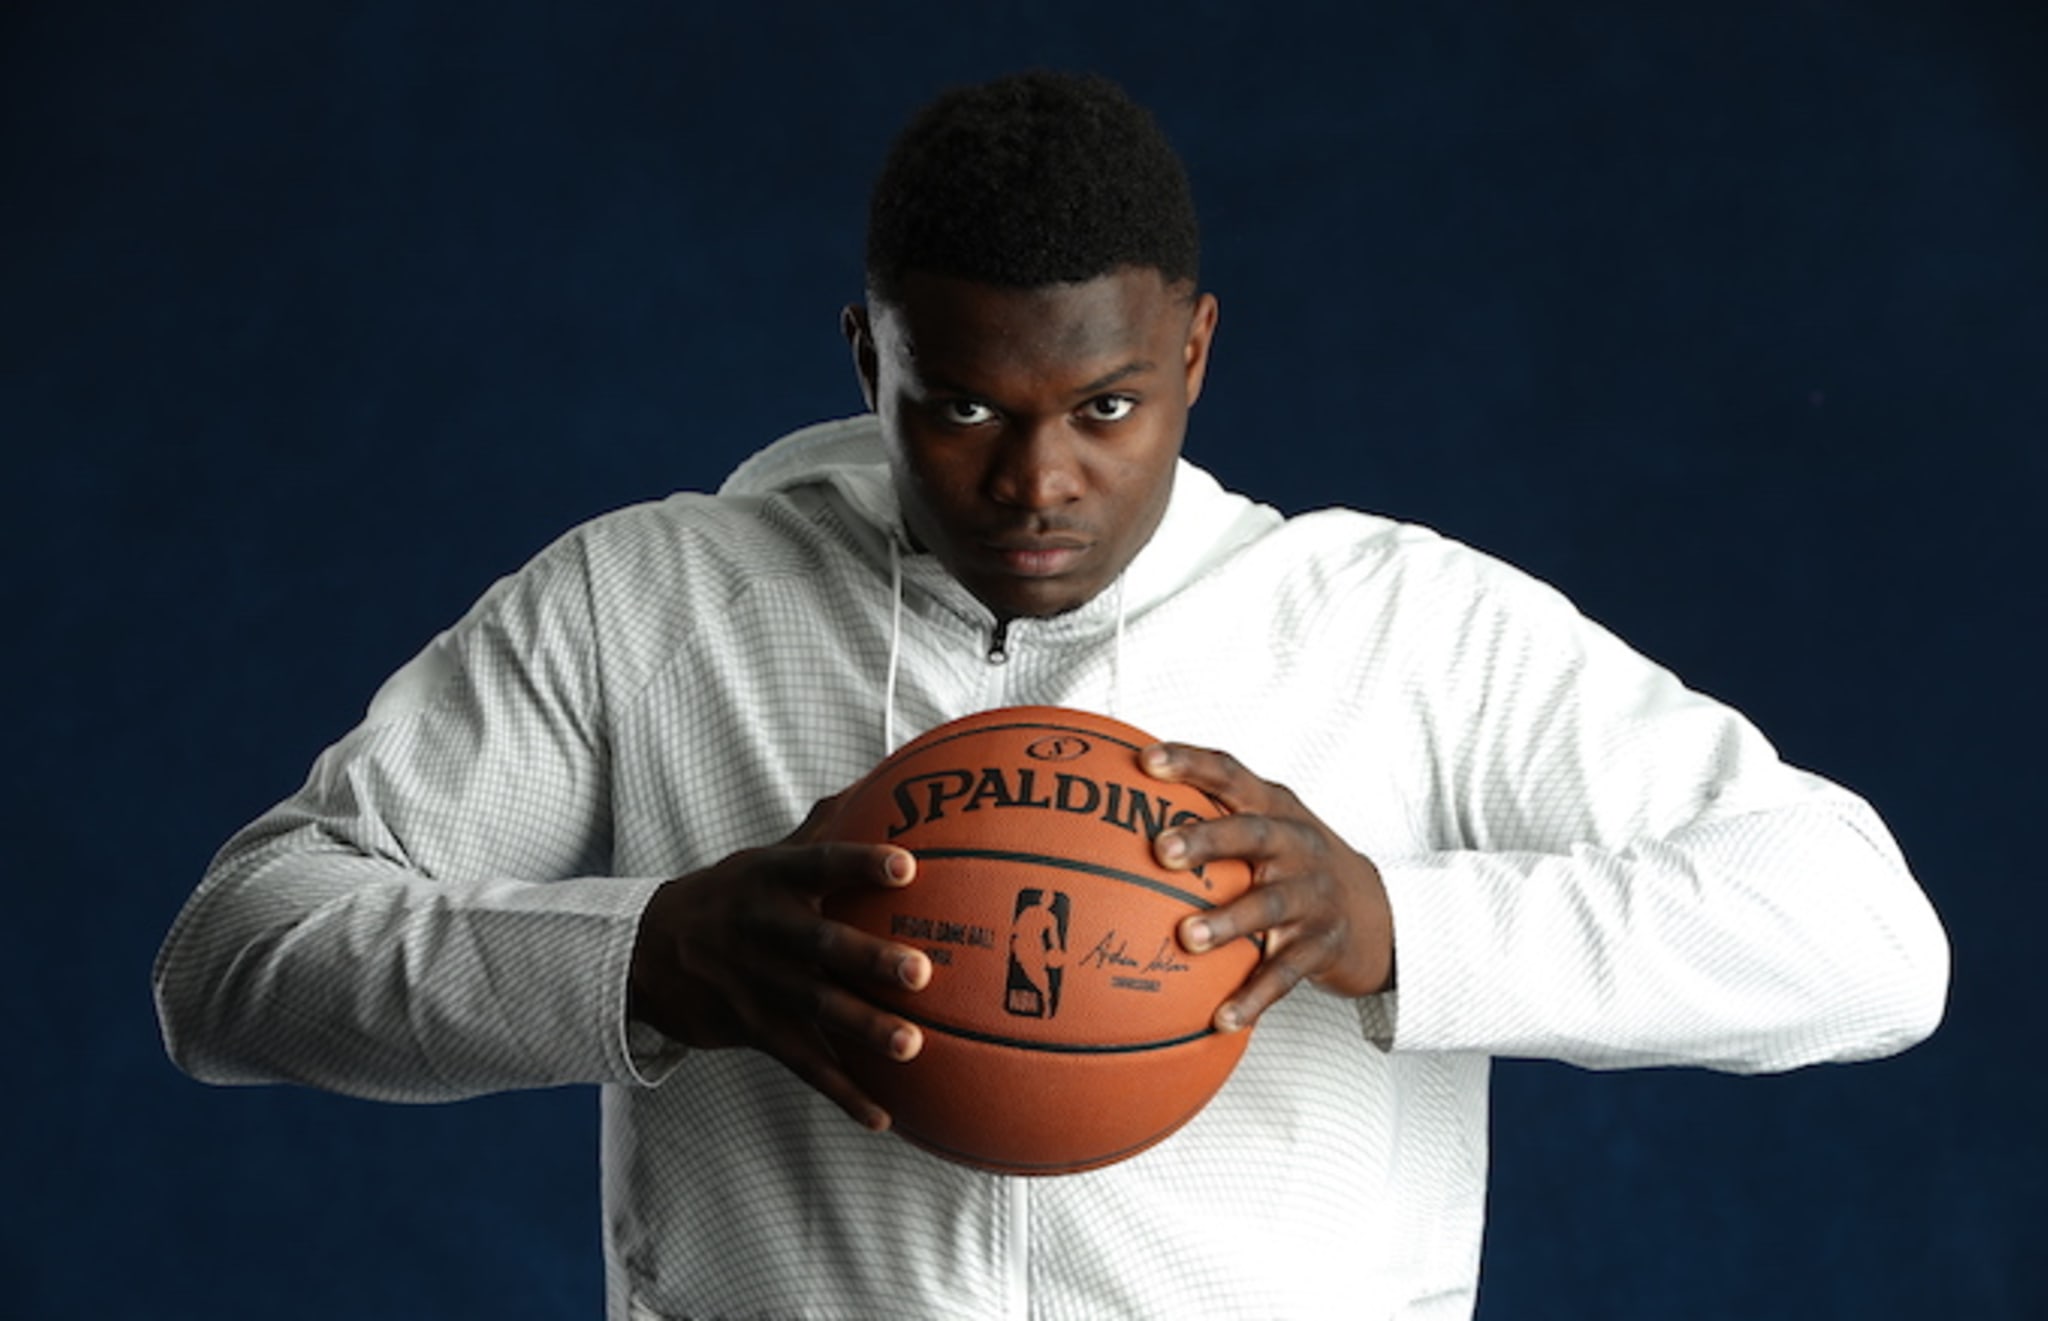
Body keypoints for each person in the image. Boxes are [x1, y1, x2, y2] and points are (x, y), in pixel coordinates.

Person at [153, 71, 1949, 1318]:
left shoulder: (1401, 625)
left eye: (1105, 407)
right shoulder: (652, 600)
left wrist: (1397, 919)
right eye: (960, 405)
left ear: (1194, 353)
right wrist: (653, 958)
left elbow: (1871, 938)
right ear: (867, 353)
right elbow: (233, 958)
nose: (1035, 483)